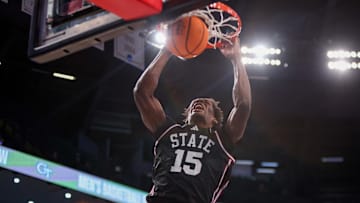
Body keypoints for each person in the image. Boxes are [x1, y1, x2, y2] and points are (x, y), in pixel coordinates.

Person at [133, 37, 251, 203]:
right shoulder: (168, 130)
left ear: (215, 121)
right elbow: (142, 92)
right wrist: (167, 50)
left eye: (205, 104)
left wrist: (236, 59)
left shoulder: (223, 139)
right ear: (186, 114)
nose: (198, 103)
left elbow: (243, 104)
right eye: (194, 104)